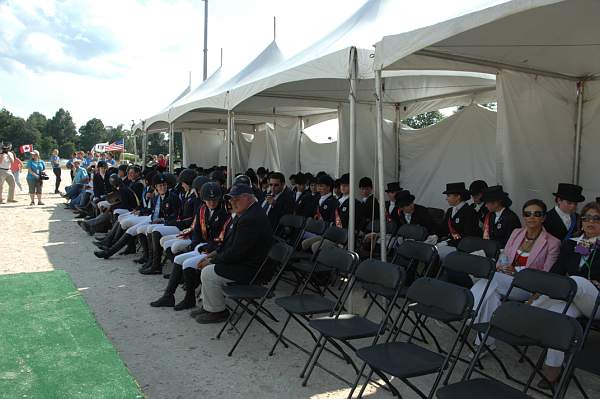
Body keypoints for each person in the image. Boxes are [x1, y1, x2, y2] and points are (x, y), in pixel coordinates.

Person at [470, 199, 560, 353]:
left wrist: (517, 273)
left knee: (488, 278)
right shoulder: (516, 232)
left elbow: (546, 275)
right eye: (527, 214)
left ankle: (469, 310)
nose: (531, 217)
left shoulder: (553, 242)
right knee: (491, 293)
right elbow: (504, 255)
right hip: (502, 280)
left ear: (544, 217)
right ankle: (484, 344)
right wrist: (501, 266)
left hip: (527, 286)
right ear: (523, 216)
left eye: (537, 214)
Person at [534, 201, 600, 388]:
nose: (590, 222)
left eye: (597, 218)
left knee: (576, 281)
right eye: (586, 218)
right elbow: (558, 270)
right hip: (574, 298)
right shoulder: (575, 244)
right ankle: (553, 368)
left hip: (596, 303)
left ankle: (531, 312)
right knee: (559, 316)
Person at [193, 184, 273, 324]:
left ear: (248, 199)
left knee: (209, 273)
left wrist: (213, 261)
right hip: (245, 262)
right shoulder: (246, 213)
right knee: (207, 269)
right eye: (231, 200)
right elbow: (229, 243)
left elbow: (236, 252)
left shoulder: (251, 218)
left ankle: (218, 312)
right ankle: (209, 307)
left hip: (251, 269)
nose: (232, 202)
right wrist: (213, 254)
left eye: (236, 199)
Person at [151, 181, 231, 310]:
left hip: (214, 249)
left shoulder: (224, 212)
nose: (211, 202)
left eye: (214, 199)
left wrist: (203, 248)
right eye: (208, 200)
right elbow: (197, 232)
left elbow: (222, 238)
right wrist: (195, 245)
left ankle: (190, 298)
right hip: (202, 246)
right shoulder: (202, 209)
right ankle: (168, 296)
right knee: (178, 259)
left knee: (187, 263)